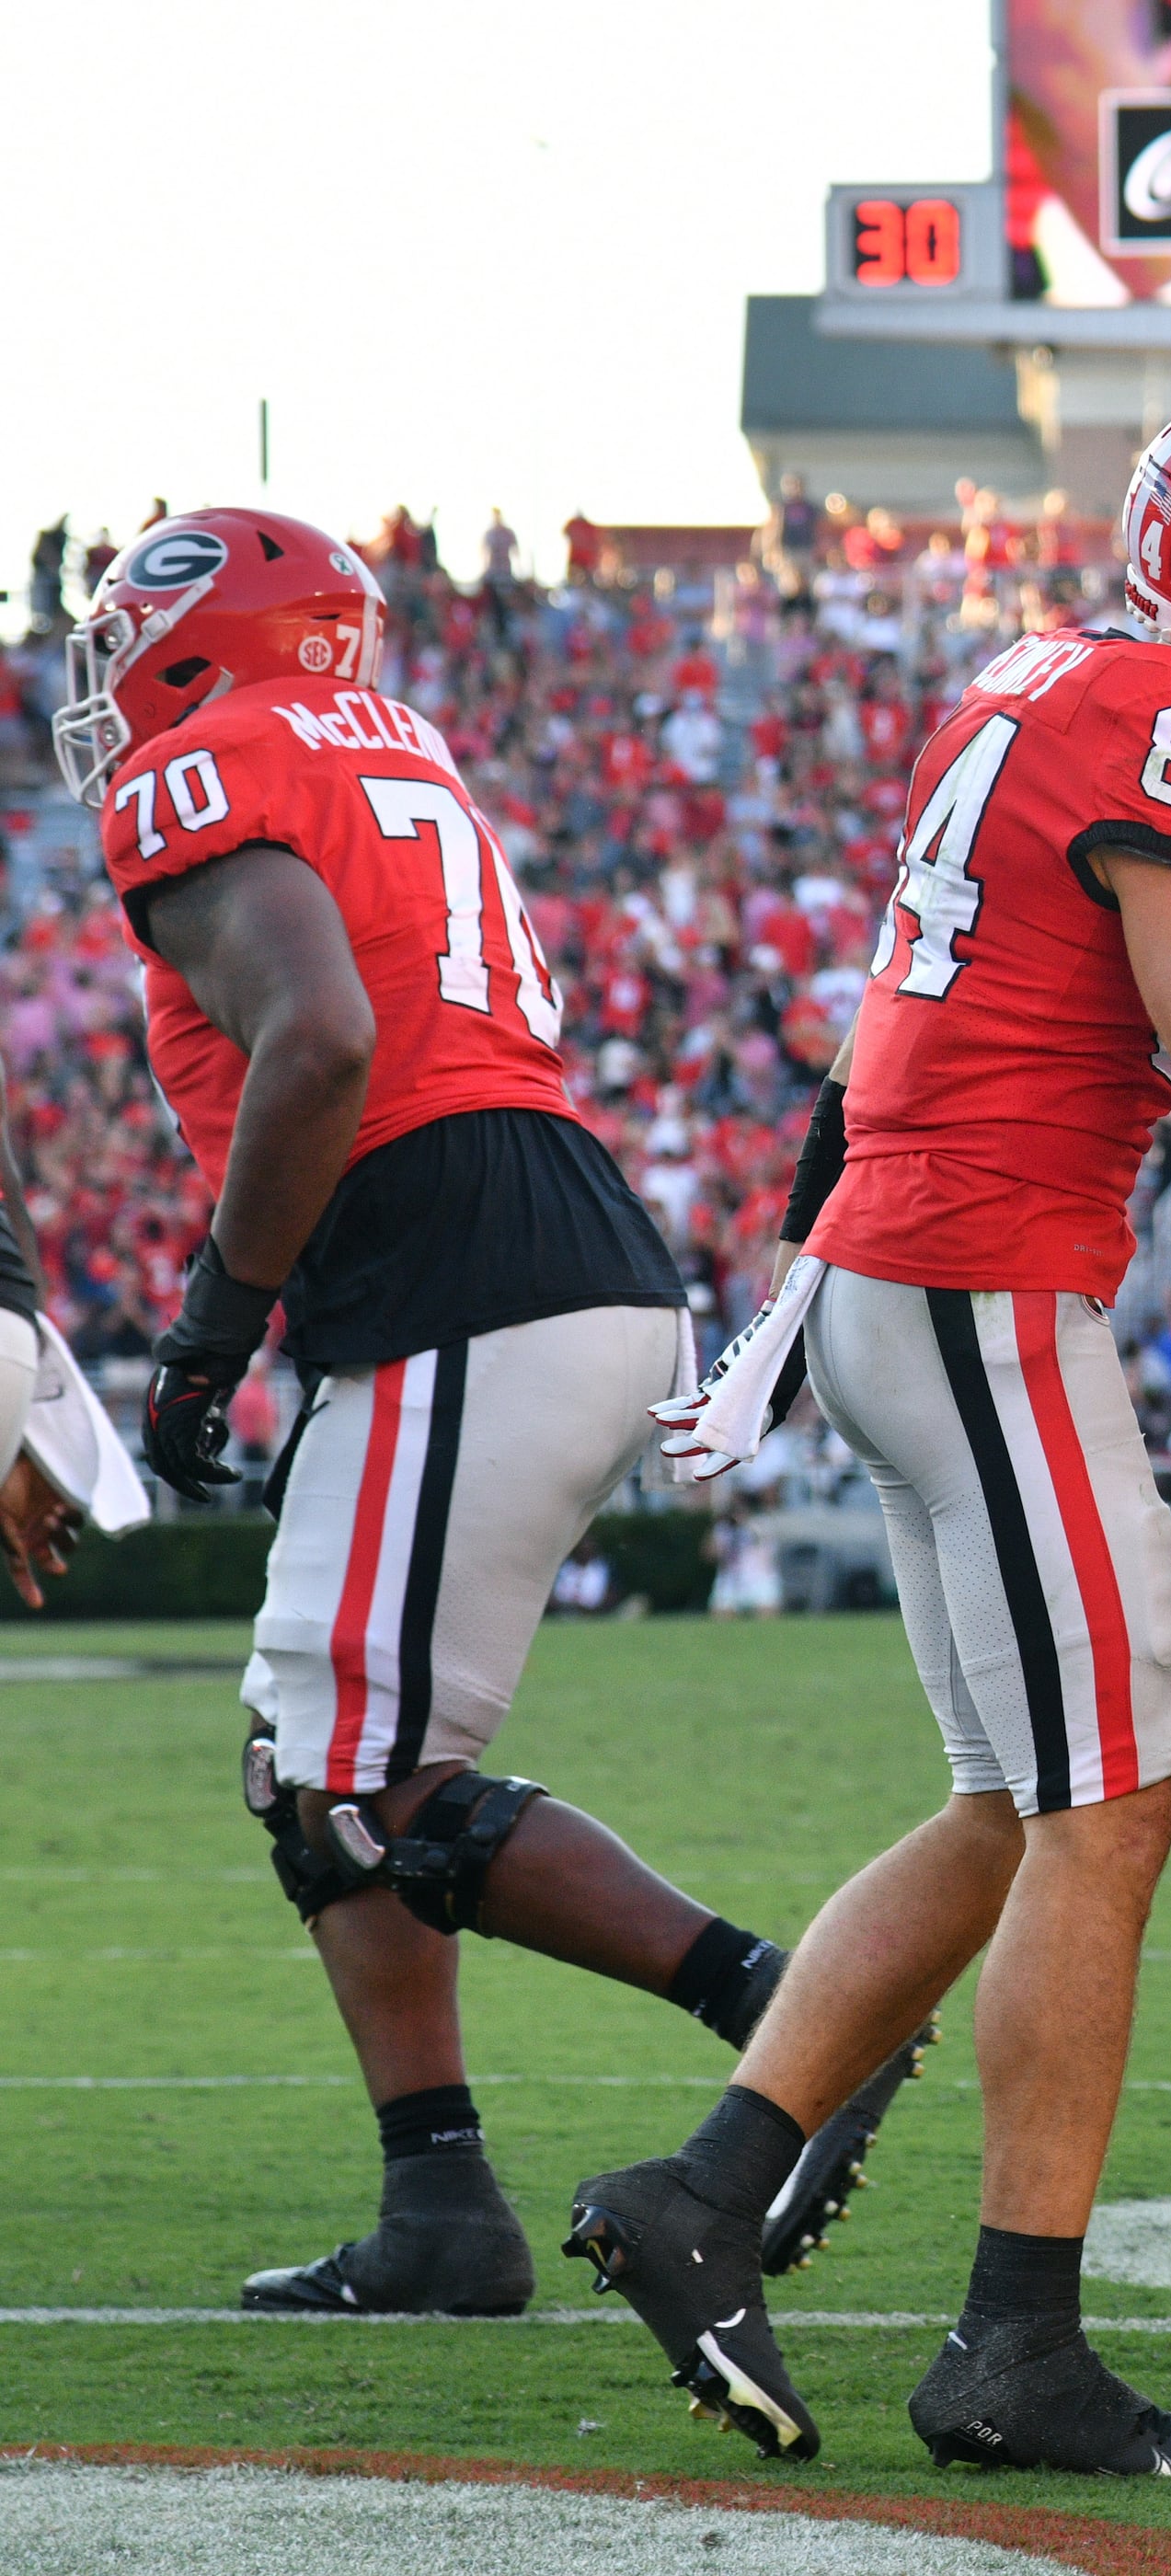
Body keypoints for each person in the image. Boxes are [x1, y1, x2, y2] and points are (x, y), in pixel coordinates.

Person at [574, 368, 1171, 2476]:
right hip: (980, 1278)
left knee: (1010, 1804)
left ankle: (707, 2184)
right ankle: (1014, 2338)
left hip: (908, 1260)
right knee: (1109, 1799)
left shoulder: (1056, 669)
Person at [63, 507, 920, 2317]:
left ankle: (793, 2013)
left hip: (463, 1268)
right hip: (528, 1244)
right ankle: (440, 2203)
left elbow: (317, 1038)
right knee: (310, 1768)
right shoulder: (383, 744)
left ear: (193, 640)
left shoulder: (209, 764)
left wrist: (212, 1325)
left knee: (362, 1784)